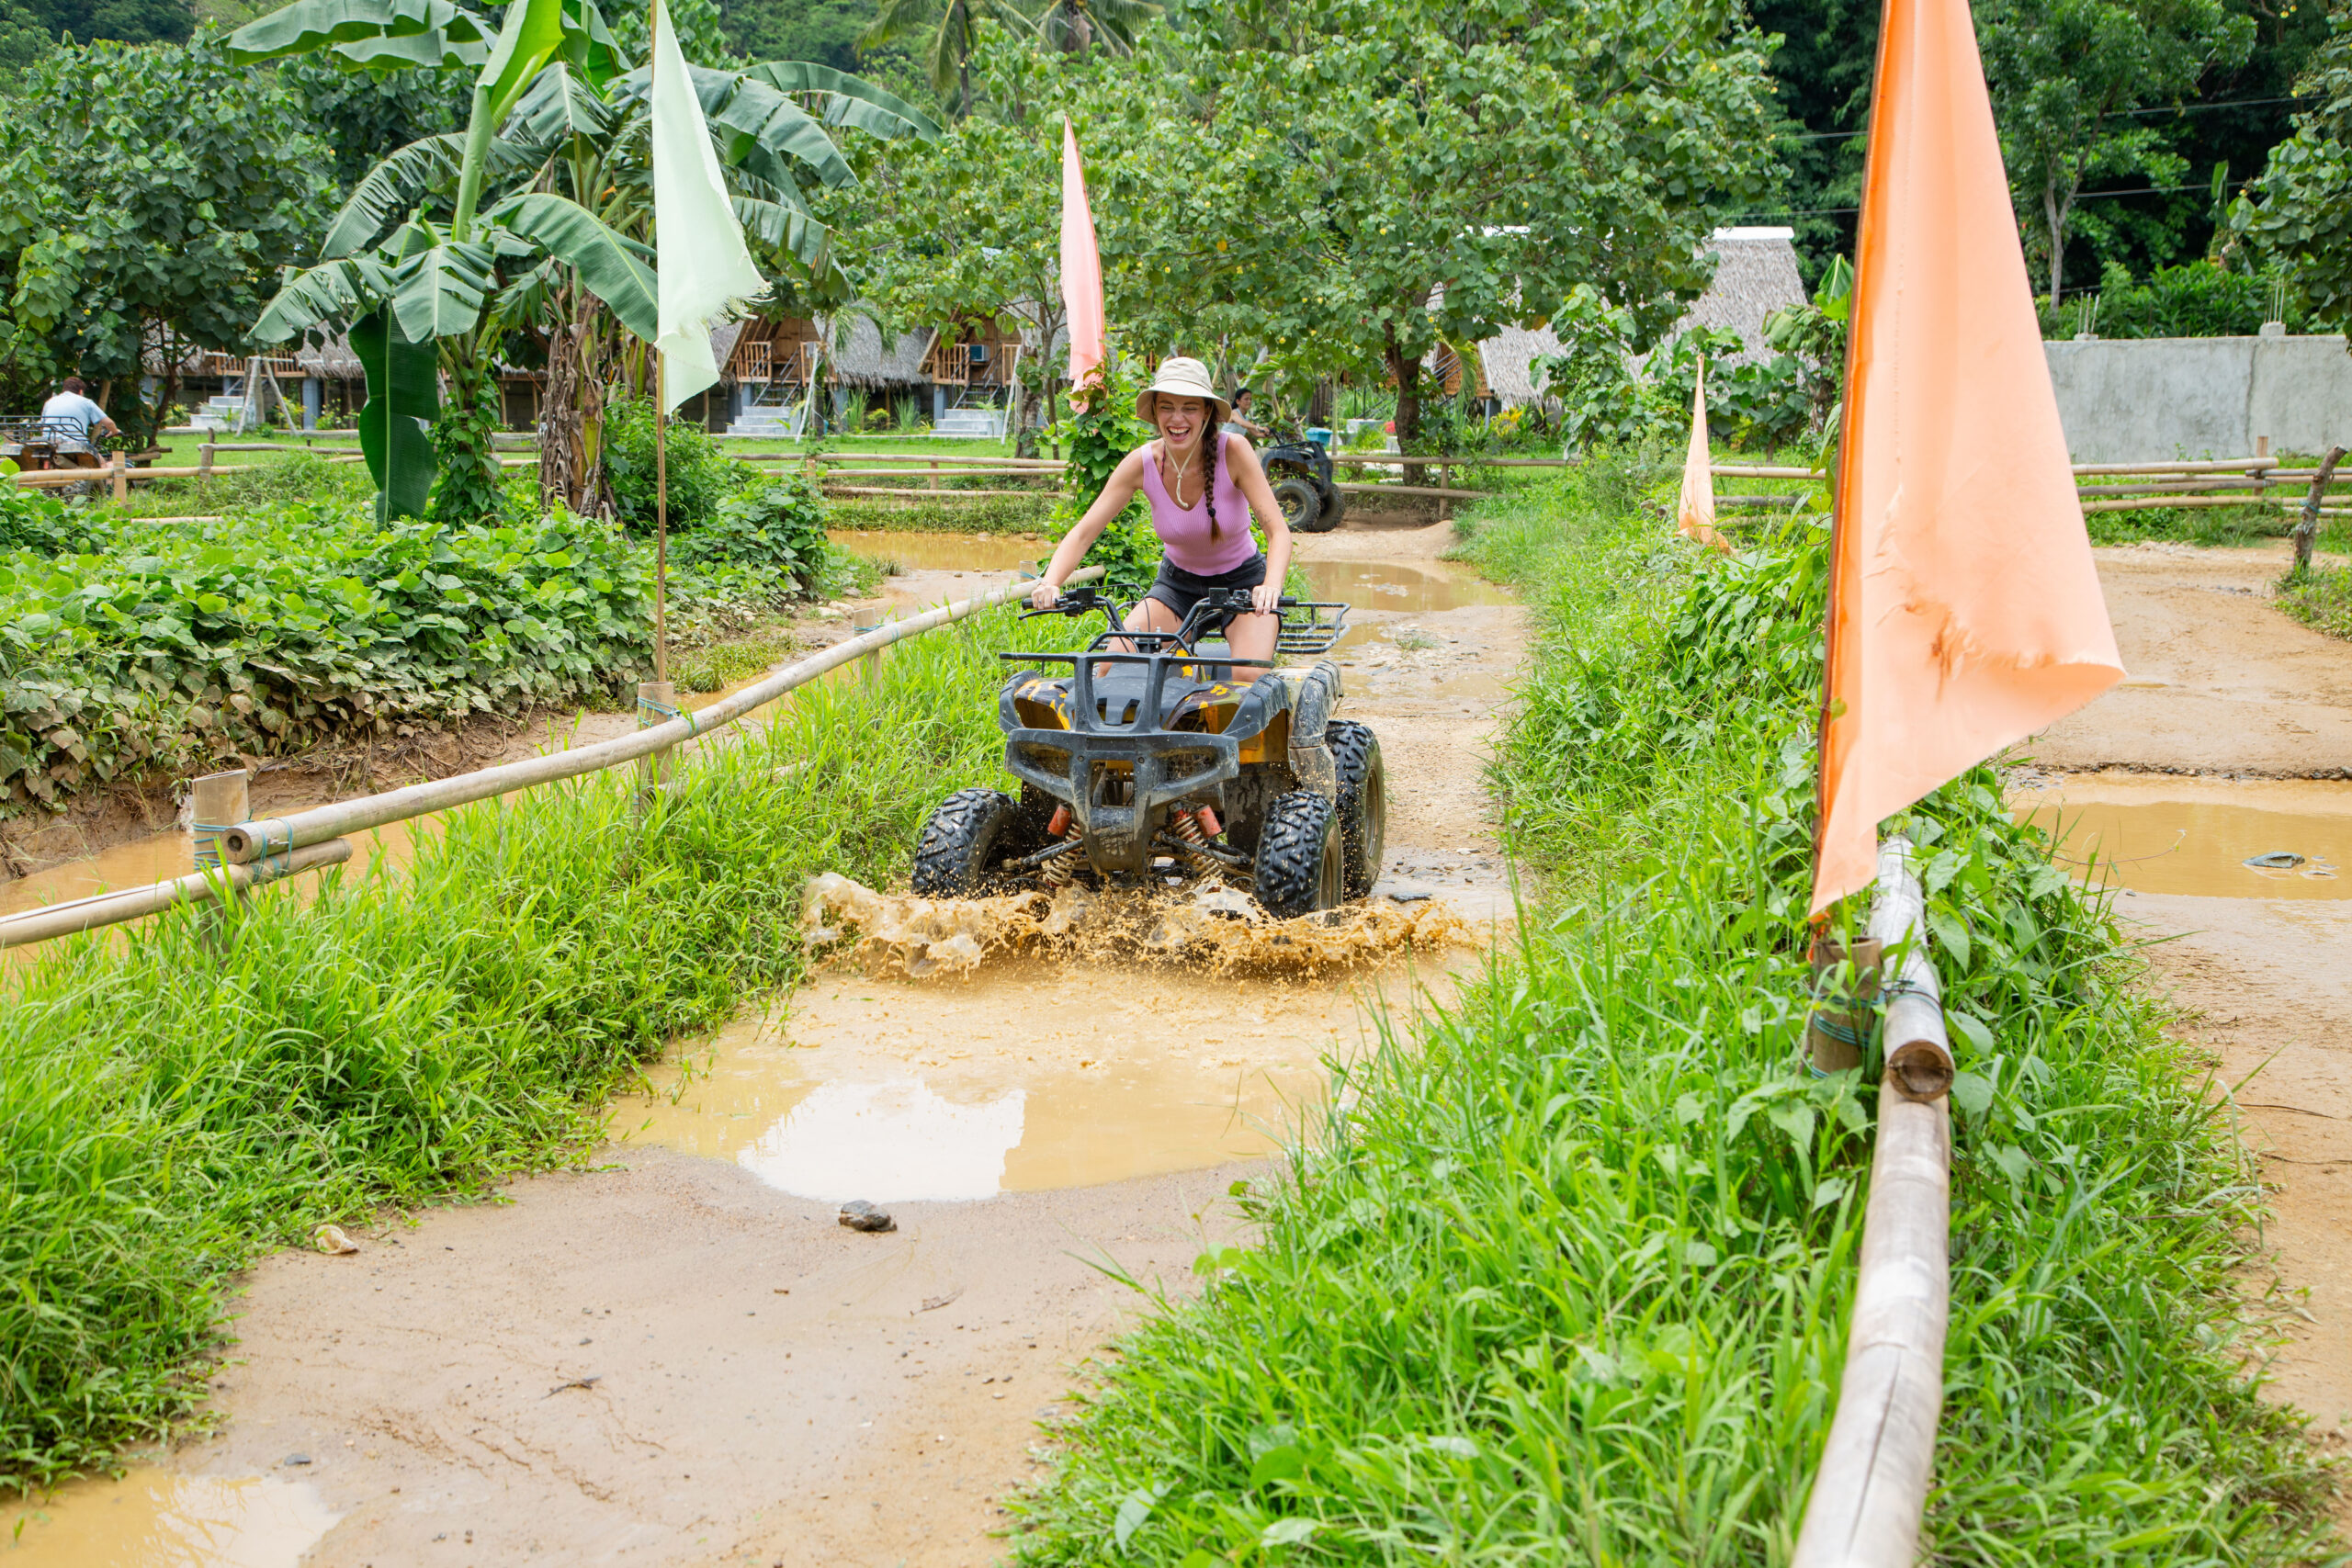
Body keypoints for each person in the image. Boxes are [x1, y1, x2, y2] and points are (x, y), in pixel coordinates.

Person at [1030, 357, 1292, 683]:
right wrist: (1050, 581)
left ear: (1207, 412)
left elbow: (1277, 531)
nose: (1177, 419)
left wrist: (1270, 586)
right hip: (1177, 585)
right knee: (1112, 667)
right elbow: (1085, 531)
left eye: (1190, 408)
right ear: (1154, 411)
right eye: (1166, 407)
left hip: (1242, 582)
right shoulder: (1142, 463)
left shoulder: (1234, 451)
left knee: (1247, 674)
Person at [40, 377, 117, 466]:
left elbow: (42, 426)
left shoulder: (49, 402)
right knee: (103, 465)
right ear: (80, 392)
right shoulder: (86, 402)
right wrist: (115, 431)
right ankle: (106, 479)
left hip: (49, 443)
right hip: (76, 444)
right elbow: (109, 423)